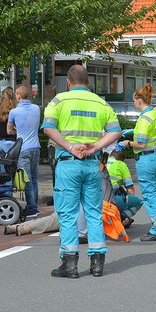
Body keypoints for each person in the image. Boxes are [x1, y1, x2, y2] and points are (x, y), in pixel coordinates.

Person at [42, 64, 121, 278]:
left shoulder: (59, 101)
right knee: (94, 212)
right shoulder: (100, 102)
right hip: (92, 163)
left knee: (68, 214)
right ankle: (97, 263)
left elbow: (48, 128)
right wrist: (96, 146)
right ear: (88, 82)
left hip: (68, 162)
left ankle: (69, 265)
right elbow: (115, 131)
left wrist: (69, 147)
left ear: (68, 81)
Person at [123, 83, 156, 241]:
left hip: (147, 158)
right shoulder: (153, 113)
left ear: (139, 100)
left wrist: (126, 143)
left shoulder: (143, 118)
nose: (133, 103)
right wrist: (132, 131)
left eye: (134, 100)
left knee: (150, 194)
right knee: (153, 192)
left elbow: (141, 144)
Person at [7, 85, 41, 218]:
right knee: (34, 178)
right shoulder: (37, 108)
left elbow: (9, 130)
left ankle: (31, 208)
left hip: (24, 148)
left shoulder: (14, 112)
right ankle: (35, 206)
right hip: (36, 147)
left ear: (18, 96)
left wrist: (16, 130)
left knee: (26, 180)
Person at [106, 145, 143, 227]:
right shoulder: (120, 164)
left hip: (98, 197)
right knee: (139, 201)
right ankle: (122, 217)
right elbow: (130, 189)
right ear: (122, 160)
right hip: (113, 199)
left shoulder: (102, 162)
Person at [0, 88, 17, 170]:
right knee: (11, 169)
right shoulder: (13, 111)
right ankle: (9, 183)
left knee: (3, 169)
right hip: (10, 141)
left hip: (0, 142)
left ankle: (4, 183)